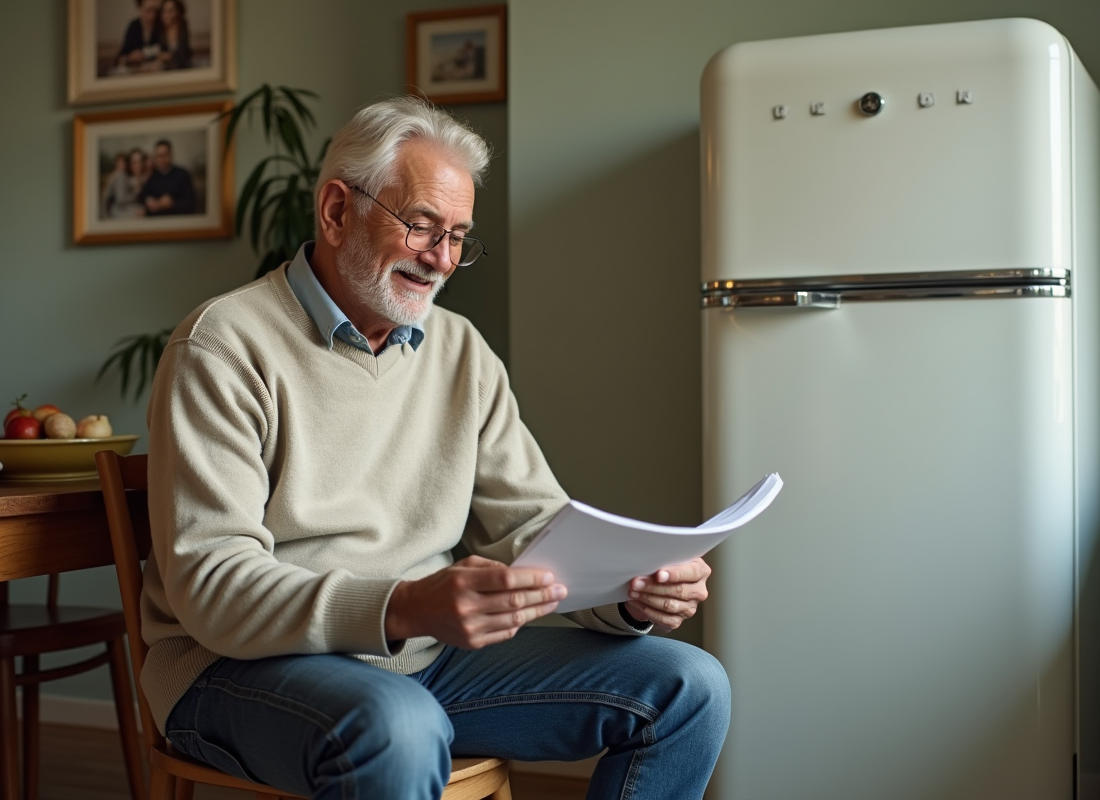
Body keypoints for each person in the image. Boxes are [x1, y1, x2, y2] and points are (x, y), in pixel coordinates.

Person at [143, 96, 729, 800]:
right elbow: (214, 587)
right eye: (422, 227)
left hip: (424, 663)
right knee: (399, 726)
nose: (443, 259)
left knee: (690, 686)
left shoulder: (460, 351)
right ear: (336, 212)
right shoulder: (224, 345)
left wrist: (631, 593)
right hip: (237, 668)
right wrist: (405, 606)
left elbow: (533, 529)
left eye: (458, 236)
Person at [137, 139, 197, 215]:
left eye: (164, 155)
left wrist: (173, 203)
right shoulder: (152, 175)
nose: (161, 159)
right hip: (157, 221)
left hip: (177, 218)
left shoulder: (183, 174)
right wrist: (148, 200)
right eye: (158, 156)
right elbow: (142, 196)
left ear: (170, 155)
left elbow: (191, 202)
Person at [113, 0, 163, 71]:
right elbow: (120, 58)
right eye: (148, 10)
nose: (152, 15)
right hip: (137, 72)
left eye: (155, 11)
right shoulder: (134, 27)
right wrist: (130, 57)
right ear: (140, 9)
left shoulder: (161, 25)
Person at [156, 0, 191, 71]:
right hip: (164, 70)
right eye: (164, 11)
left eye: (171, 10)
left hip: (183, 68)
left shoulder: (183, 27)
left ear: (178, 12)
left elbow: (184, 53)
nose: (167, 15)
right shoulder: (159, 30)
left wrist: (170, 56)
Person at [101, 152, 137, 218]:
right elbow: (121, 199)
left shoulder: (115, 174)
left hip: (110, 209)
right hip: (114, 210)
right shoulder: (119, 175)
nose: (123, 163)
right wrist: (135, 195)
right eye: (120, 161)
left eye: (124, 161)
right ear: (116, 163)